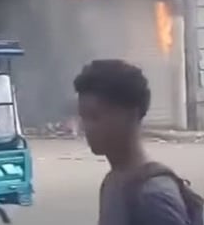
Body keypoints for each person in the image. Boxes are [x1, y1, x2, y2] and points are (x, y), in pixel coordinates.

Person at [74, 59, 196, 225]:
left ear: (131, 115)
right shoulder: (113, 181)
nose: (85, 127)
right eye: (83, 116)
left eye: (95, 116)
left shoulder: (153, 196)